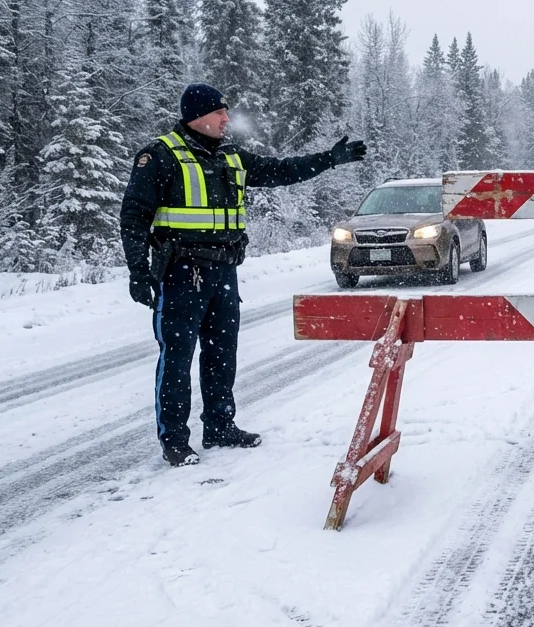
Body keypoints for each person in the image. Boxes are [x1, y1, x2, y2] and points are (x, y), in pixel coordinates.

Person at [120, 84, 367, 467]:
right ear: (197, 116)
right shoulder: (160, 156)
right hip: (181, 273)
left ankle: (219, 425)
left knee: (222, 353)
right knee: (177, 358)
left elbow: (282, 170)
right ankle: (174, 439)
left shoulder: (231, 157)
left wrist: (328, 160)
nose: (226, 119)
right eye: (220, 113)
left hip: (223, 271)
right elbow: (133, 215)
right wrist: (138, 270)